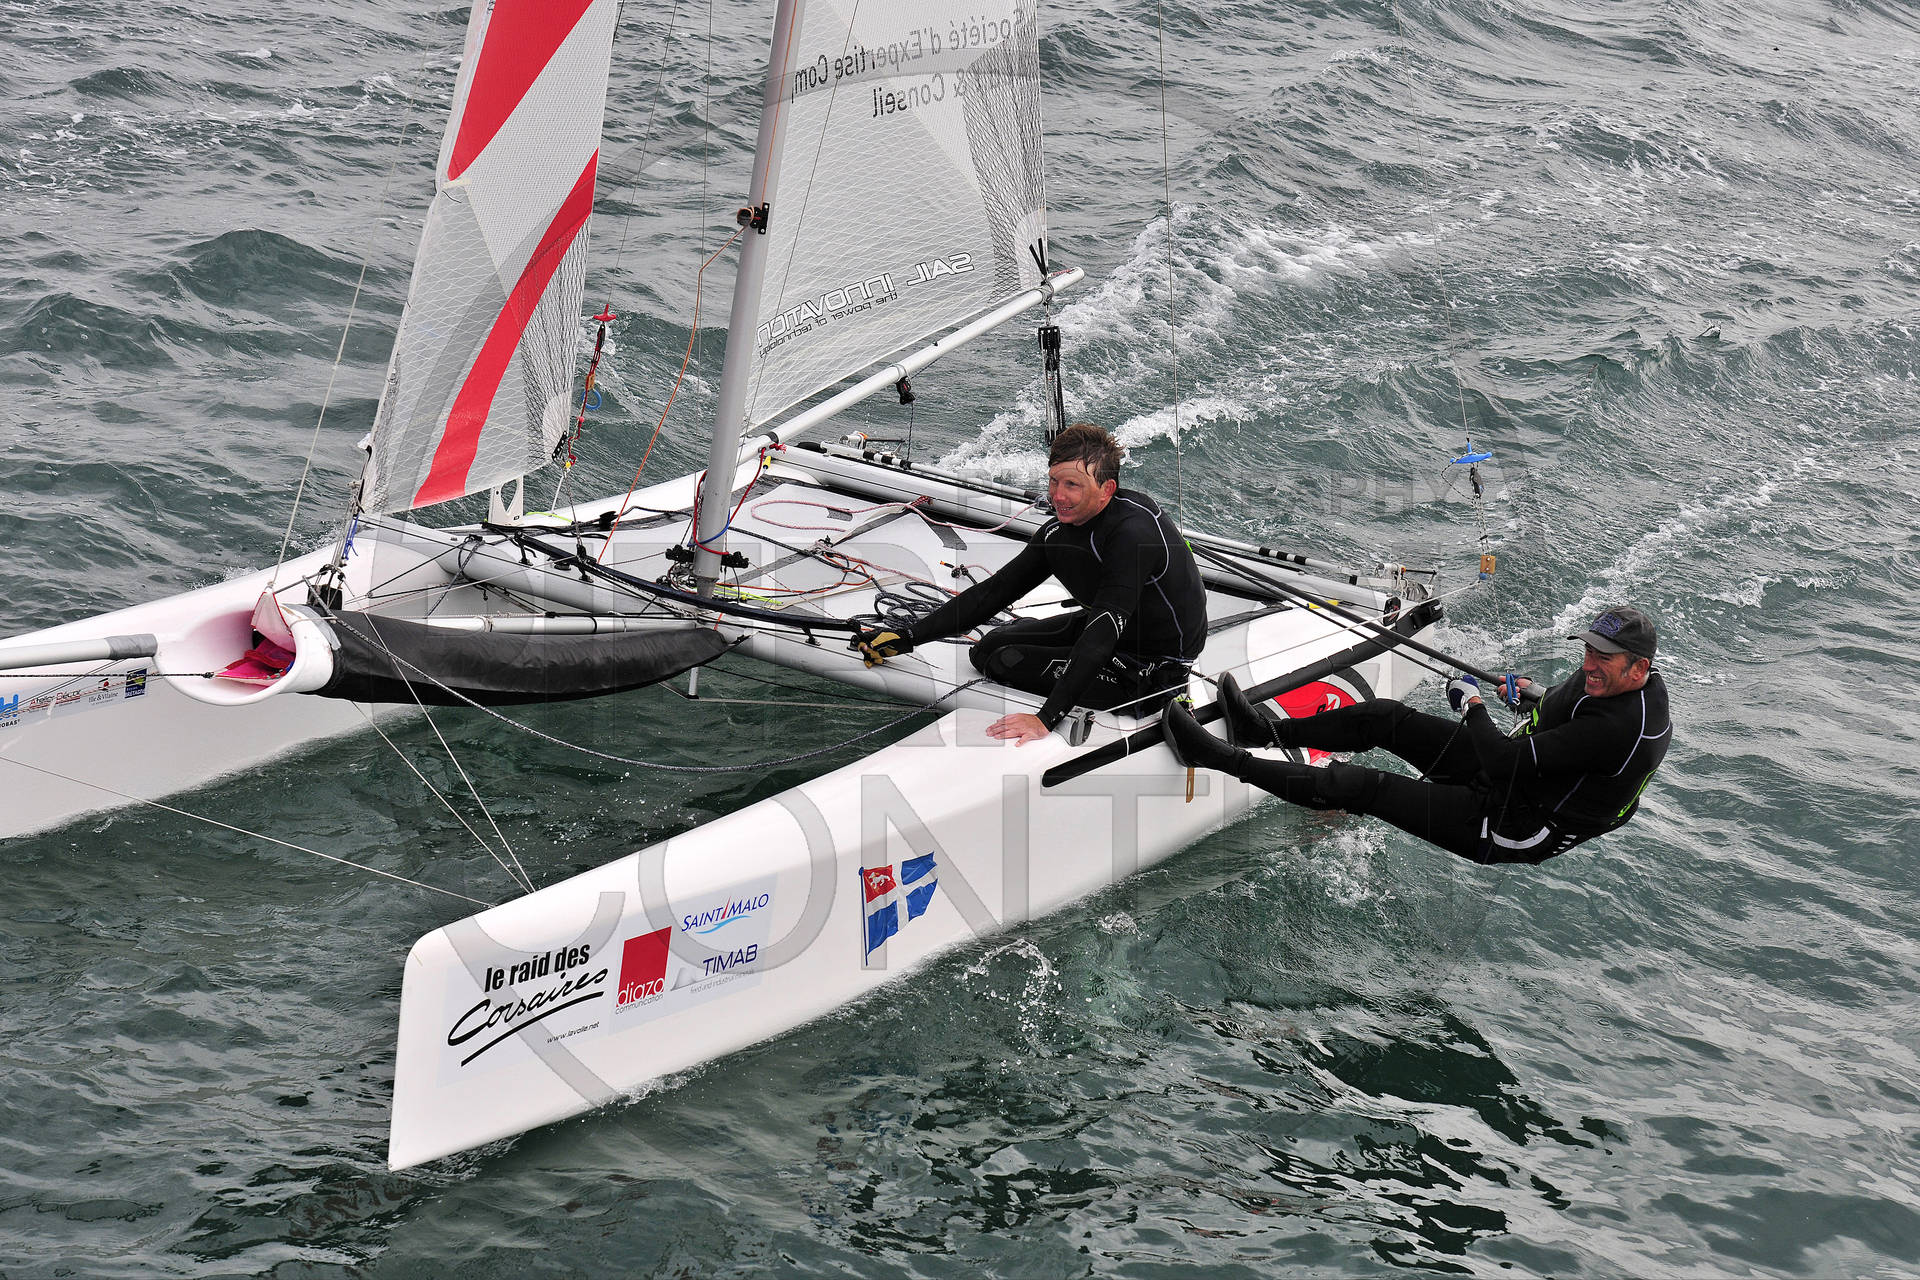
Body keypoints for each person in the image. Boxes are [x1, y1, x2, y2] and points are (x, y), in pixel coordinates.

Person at [1162, 605, 1672, 864]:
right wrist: (1535, 696)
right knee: (1384, 718)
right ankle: (1262, 731)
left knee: (1361, 786)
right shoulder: (1616, 681)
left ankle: (1214, 756)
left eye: (1603, 658)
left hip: (1516, 822)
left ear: (1639, 667)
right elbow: (1570, 714)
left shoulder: (1621, 729)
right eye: (1588, 651)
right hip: (1518, 773)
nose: (1589, 665)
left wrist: (1471, 704)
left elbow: (1503, 762)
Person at [853, 423, 1207, 745]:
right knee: (987, 648)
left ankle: (1156, 694)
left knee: (1005, 661)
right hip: (1111, 629)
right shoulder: (1060, 531)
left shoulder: (1133, 534)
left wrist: (1046, 718)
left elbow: (1102, 633)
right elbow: (994, 592)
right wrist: (909, 636)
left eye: (1072, 485)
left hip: (1152, 663)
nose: (1058, 496)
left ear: (1106, 489)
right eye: (1054, 481)